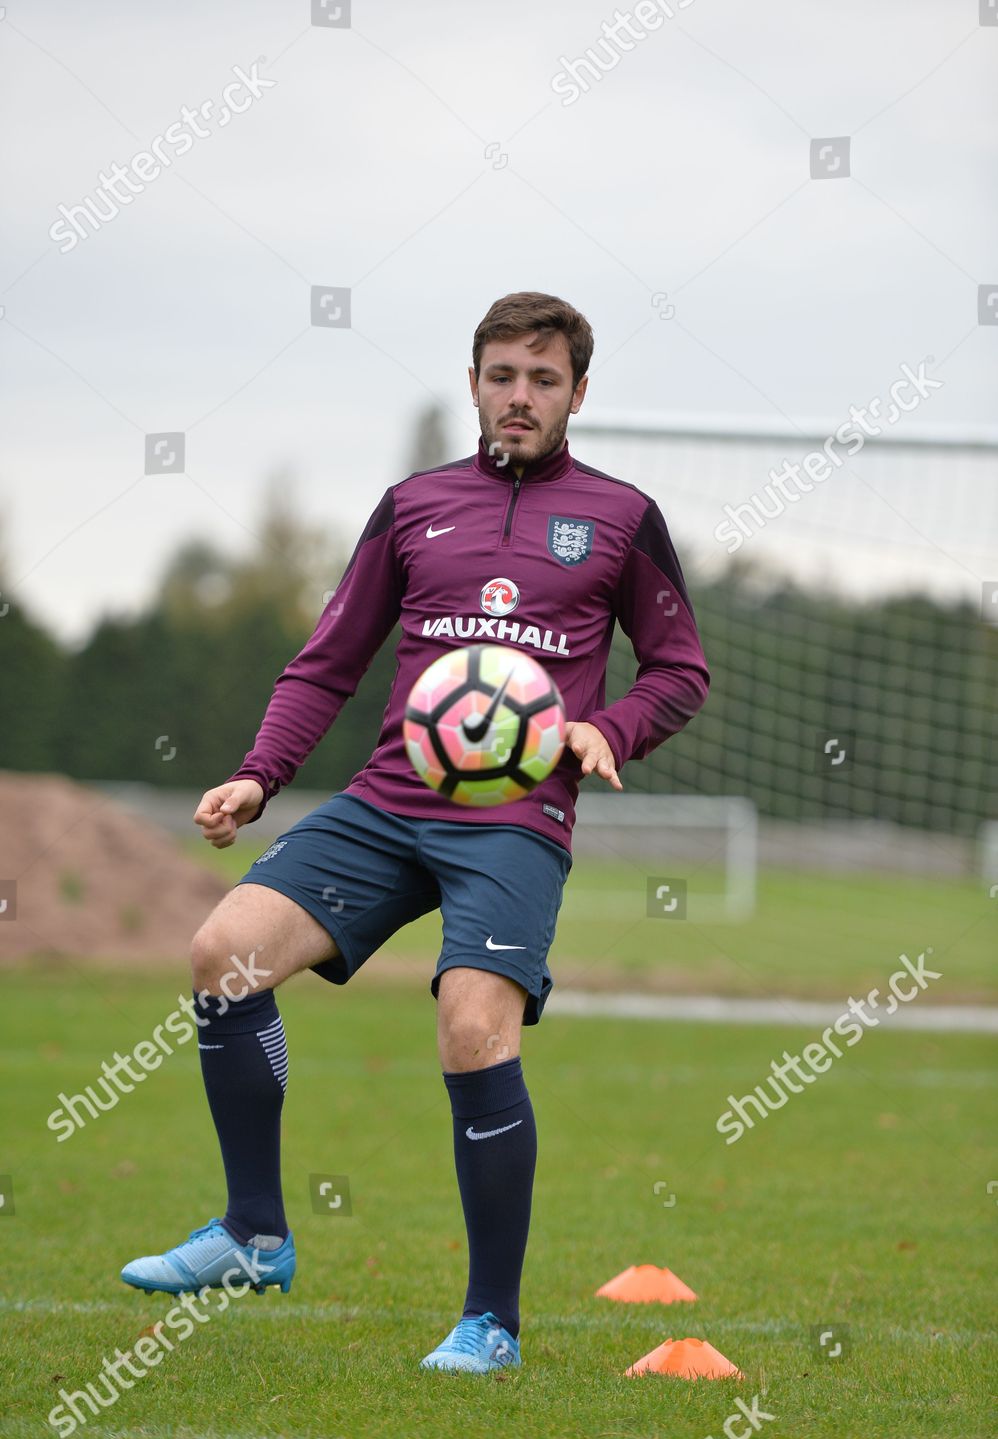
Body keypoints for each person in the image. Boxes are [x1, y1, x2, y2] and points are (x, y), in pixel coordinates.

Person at [120, 290, 710, 1373]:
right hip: (388, 801)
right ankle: (253, 1233)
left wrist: (604, 729)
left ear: (578, 392)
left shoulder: (621, 517)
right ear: (474, 383)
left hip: (514, 819)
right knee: (221, 955)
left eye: (541, 379)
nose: (518, 397)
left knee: (474, 1026)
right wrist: (259, 776)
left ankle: (490, 1322)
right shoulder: (413, 505)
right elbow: (329, 658)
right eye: (500, 376)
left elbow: (679, 670)